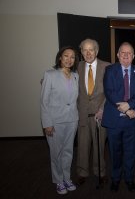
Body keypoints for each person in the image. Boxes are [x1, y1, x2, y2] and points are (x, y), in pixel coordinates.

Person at [101, 42, 135, 192]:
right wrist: (127, 109)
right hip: (114, 119)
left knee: (131, 152)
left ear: (133, 56)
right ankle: (115, 179)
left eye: (129, 53)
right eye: (123, 53)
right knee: (115, 152)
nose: (126, 56)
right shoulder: (109, 70)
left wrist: (129, 105)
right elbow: (109, 92)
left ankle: (128, 178)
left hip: (132, 122)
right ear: (118, 55)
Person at [40, 46, 79, 194]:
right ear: (60, 58)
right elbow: (44, 102)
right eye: (66, 56)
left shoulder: (76, 76)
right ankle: (58, 180)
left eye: (72, 57)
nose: (69, 59)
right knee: (56, 152)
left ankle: (67, 178)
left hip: (72, 119)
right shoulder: (49, 75)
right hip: (55, 121)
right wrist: (47, 123)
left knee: (68, 151)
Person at [76, 38, 110, 185]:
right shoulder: (76, 67)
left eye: (91, 49)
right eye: (85, 49)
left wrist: (102, 108)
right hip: (82, 113)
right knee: (83, 146)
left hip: (100, 114)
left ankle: (100, 172)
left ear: (96, 51)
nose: (88, 52)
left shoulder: (107, 67)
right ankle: (82, 172)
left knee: (99, 146)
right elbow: (62, 76)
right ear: (81, 52)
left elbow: (111, 92)